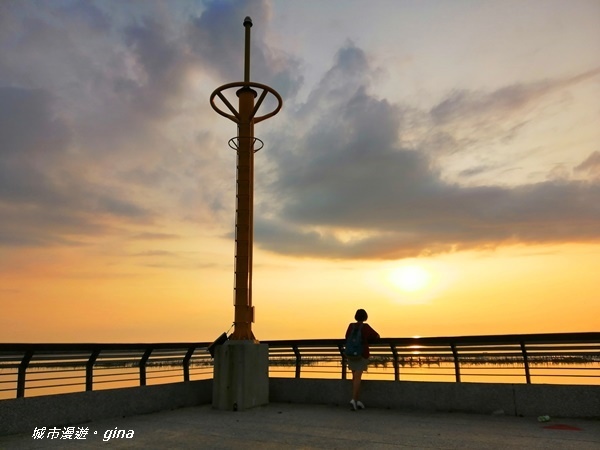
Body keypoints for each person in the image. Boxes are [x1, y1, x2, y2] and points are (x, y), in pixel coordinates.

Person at [345, 308, 380, 411]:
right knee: (358, 378)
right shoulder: (366, 327)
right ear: (365, 317)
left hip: (351, 354)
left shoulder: (351, 326)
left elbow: (346, 337)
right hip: (361, 354)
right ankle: (354, 400)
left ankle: (357, 400)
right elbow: (377, 336)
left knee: (354, 377)